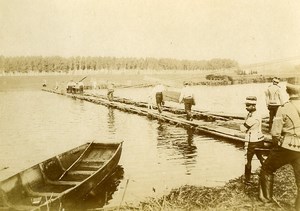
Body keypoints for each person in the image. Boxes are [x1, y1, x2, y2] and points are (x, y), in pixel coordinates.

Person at [259, 77, 300, 210]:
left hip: (288, 147)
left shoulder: (283, 108)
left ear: (287, 91)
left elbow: (275, 133)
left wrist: (275, 147)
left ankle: (266, 200)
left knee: (267, 169)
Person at [240, 96, 265, 184]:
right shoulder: (257, 114)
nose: (246, 107)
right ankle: (267, 173)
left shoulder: (252, 117)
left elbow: (242, 128)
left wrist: (244, 124)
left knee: (248, 160)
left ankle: (247, 179)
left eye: (248, 105)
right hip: (260, 139)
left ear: (253, 106)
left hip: (252, 141)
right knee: (260, 157)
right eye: (246, 105)